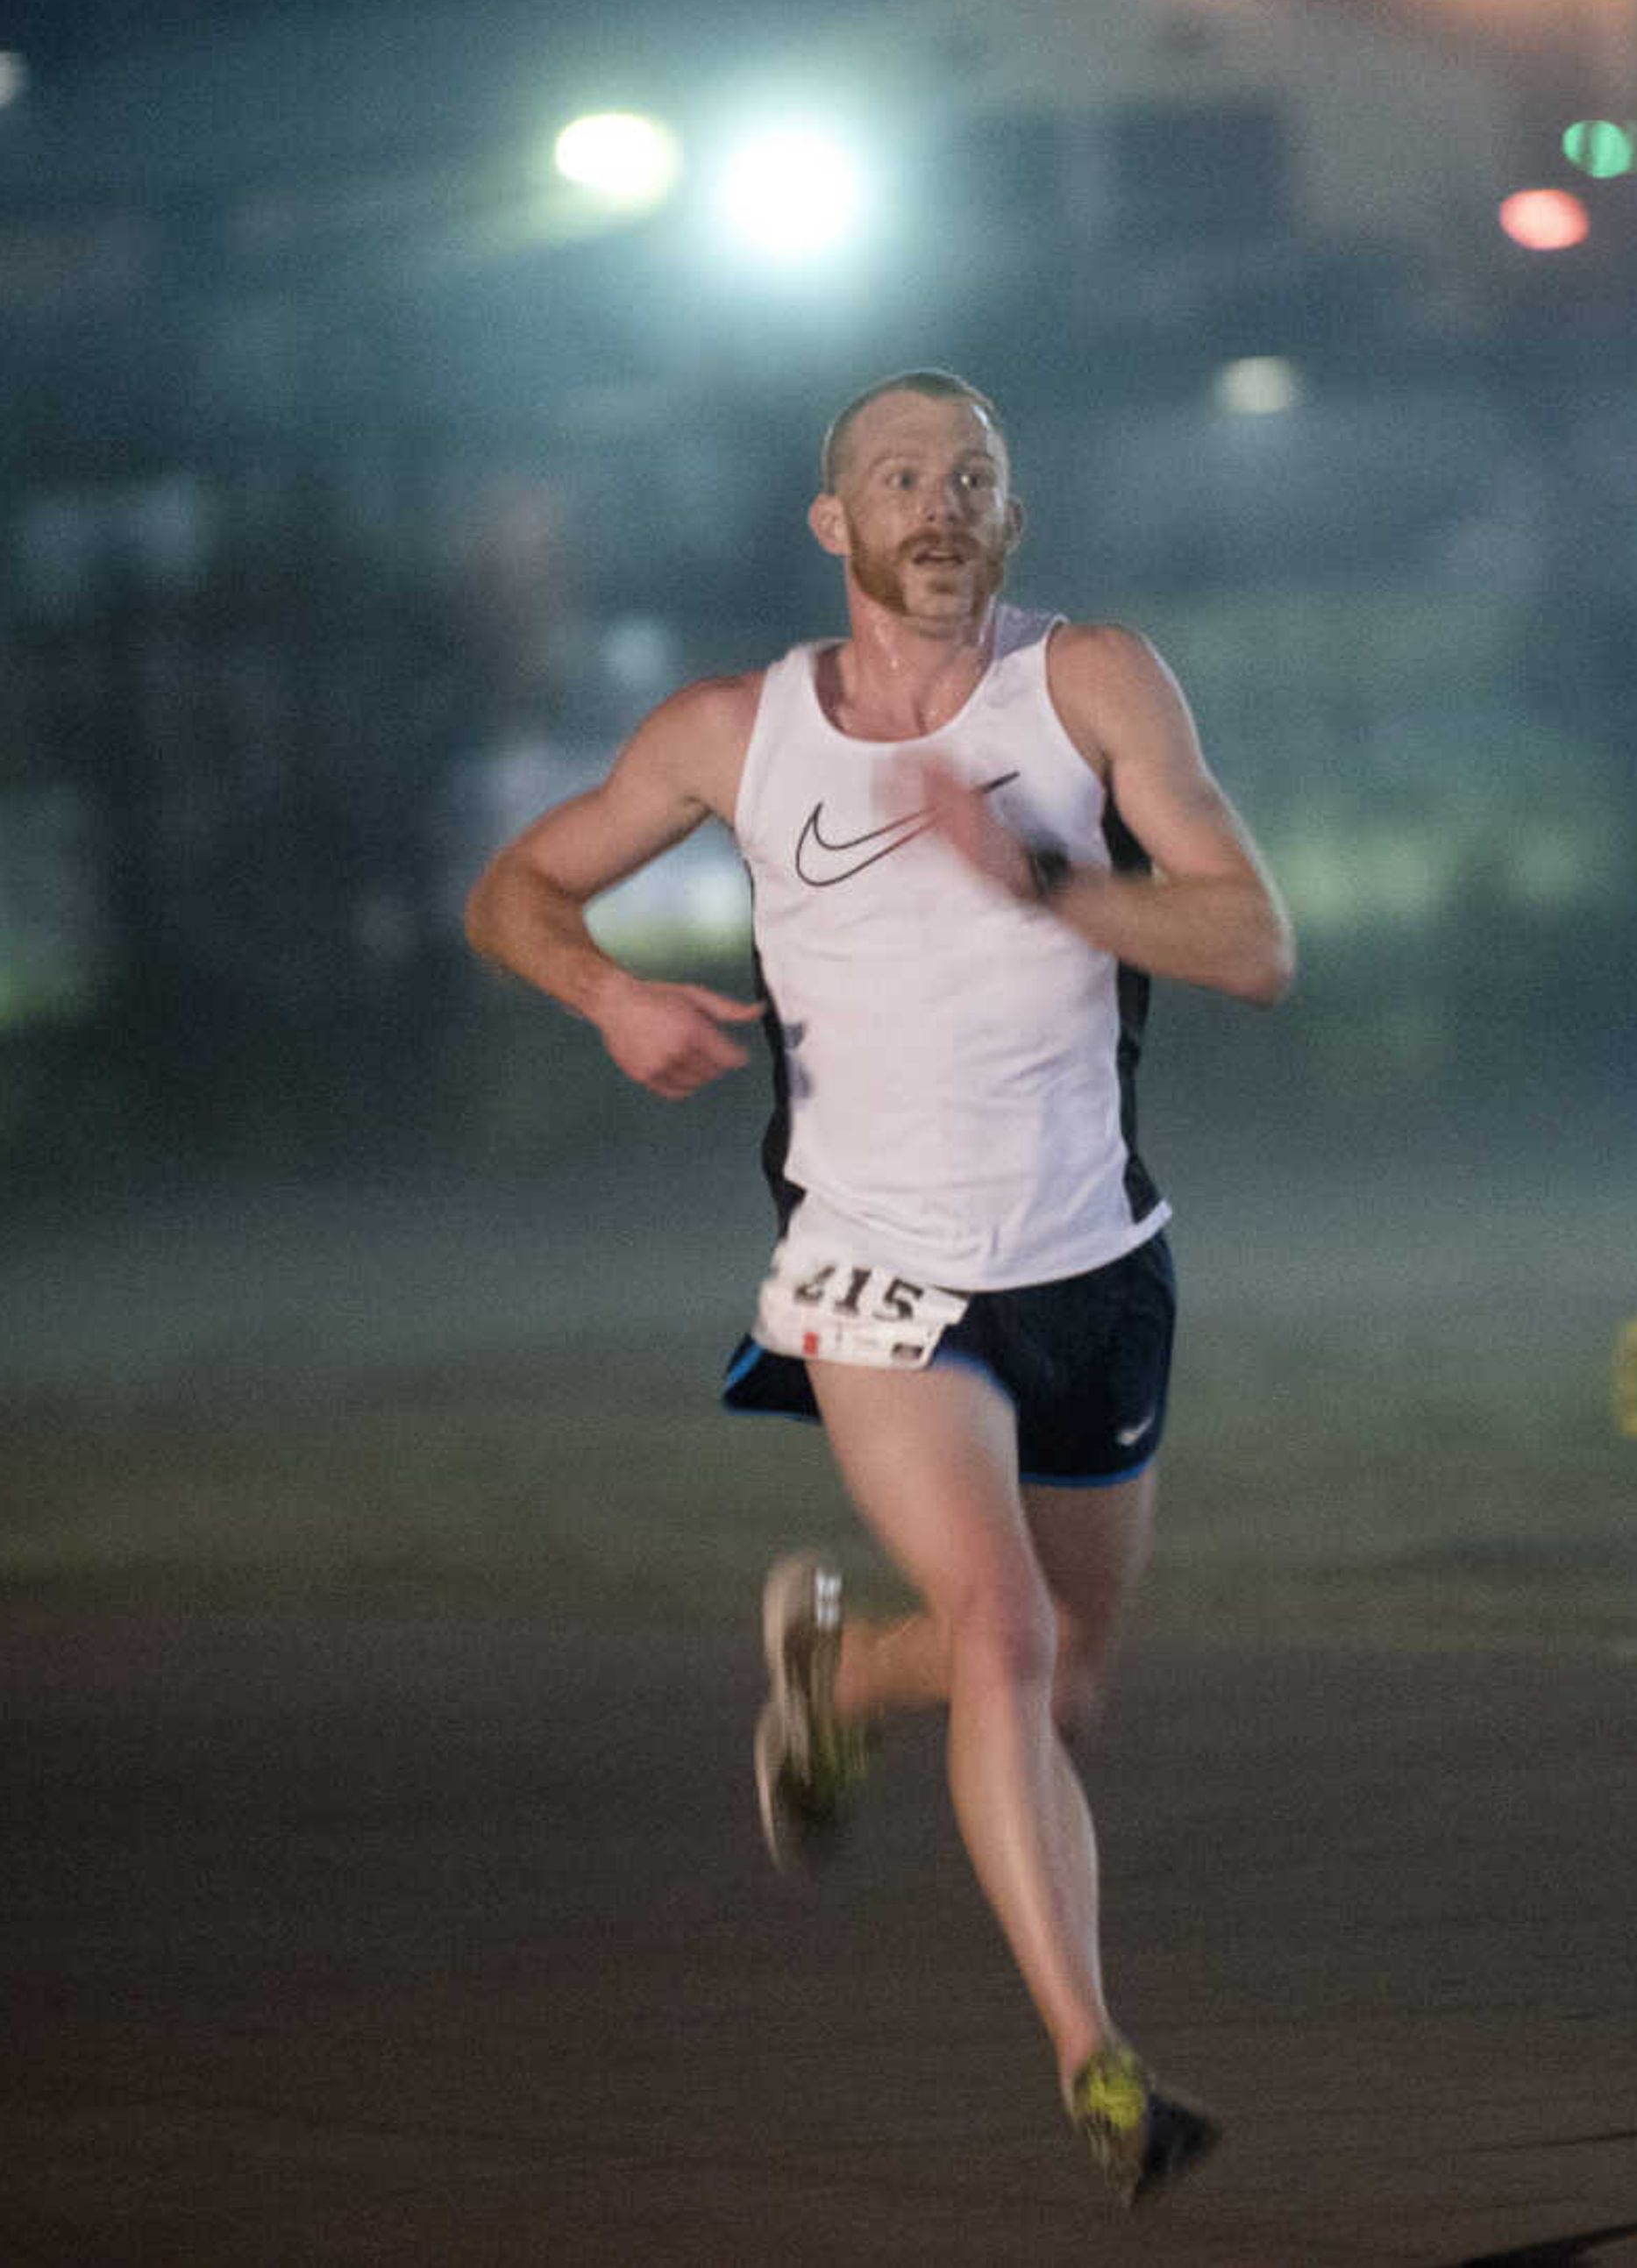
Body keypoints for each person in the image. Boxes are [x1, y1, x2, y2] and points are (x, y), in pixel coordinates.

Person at [464, 369, 1292, 2205]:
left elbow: (1253, 943)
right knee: (1001, 1633)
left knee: (1058, 1678)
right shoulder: (730, 732)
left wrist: (1051, 882)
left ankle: (839, 1674)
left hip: (1095, 1262)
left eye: (973, 477)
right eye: (901, 477)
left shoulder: (1093, 688)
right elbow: (517, 888)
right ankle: (1099, 2063)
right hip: (871, 1273)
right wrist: (609, 994)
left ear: (1012, 516)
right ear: (834, 525)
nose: (940, 503)